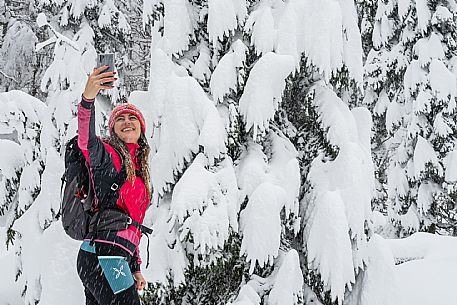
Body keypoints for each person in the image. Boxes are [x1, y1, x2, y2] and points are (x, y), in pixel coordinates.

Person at [76, 65, 151, 305]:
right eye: (120, 119)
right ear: (113, 129)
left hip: (115, 256)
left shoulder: (140, 173)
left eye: (132, 118)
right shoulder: (107, 156)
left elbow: (132, 225)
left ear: (141, 129)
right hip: (103, 254)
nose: (127, 122)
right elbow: (86, 140)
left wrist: (135, 267)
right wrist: (88, 99)